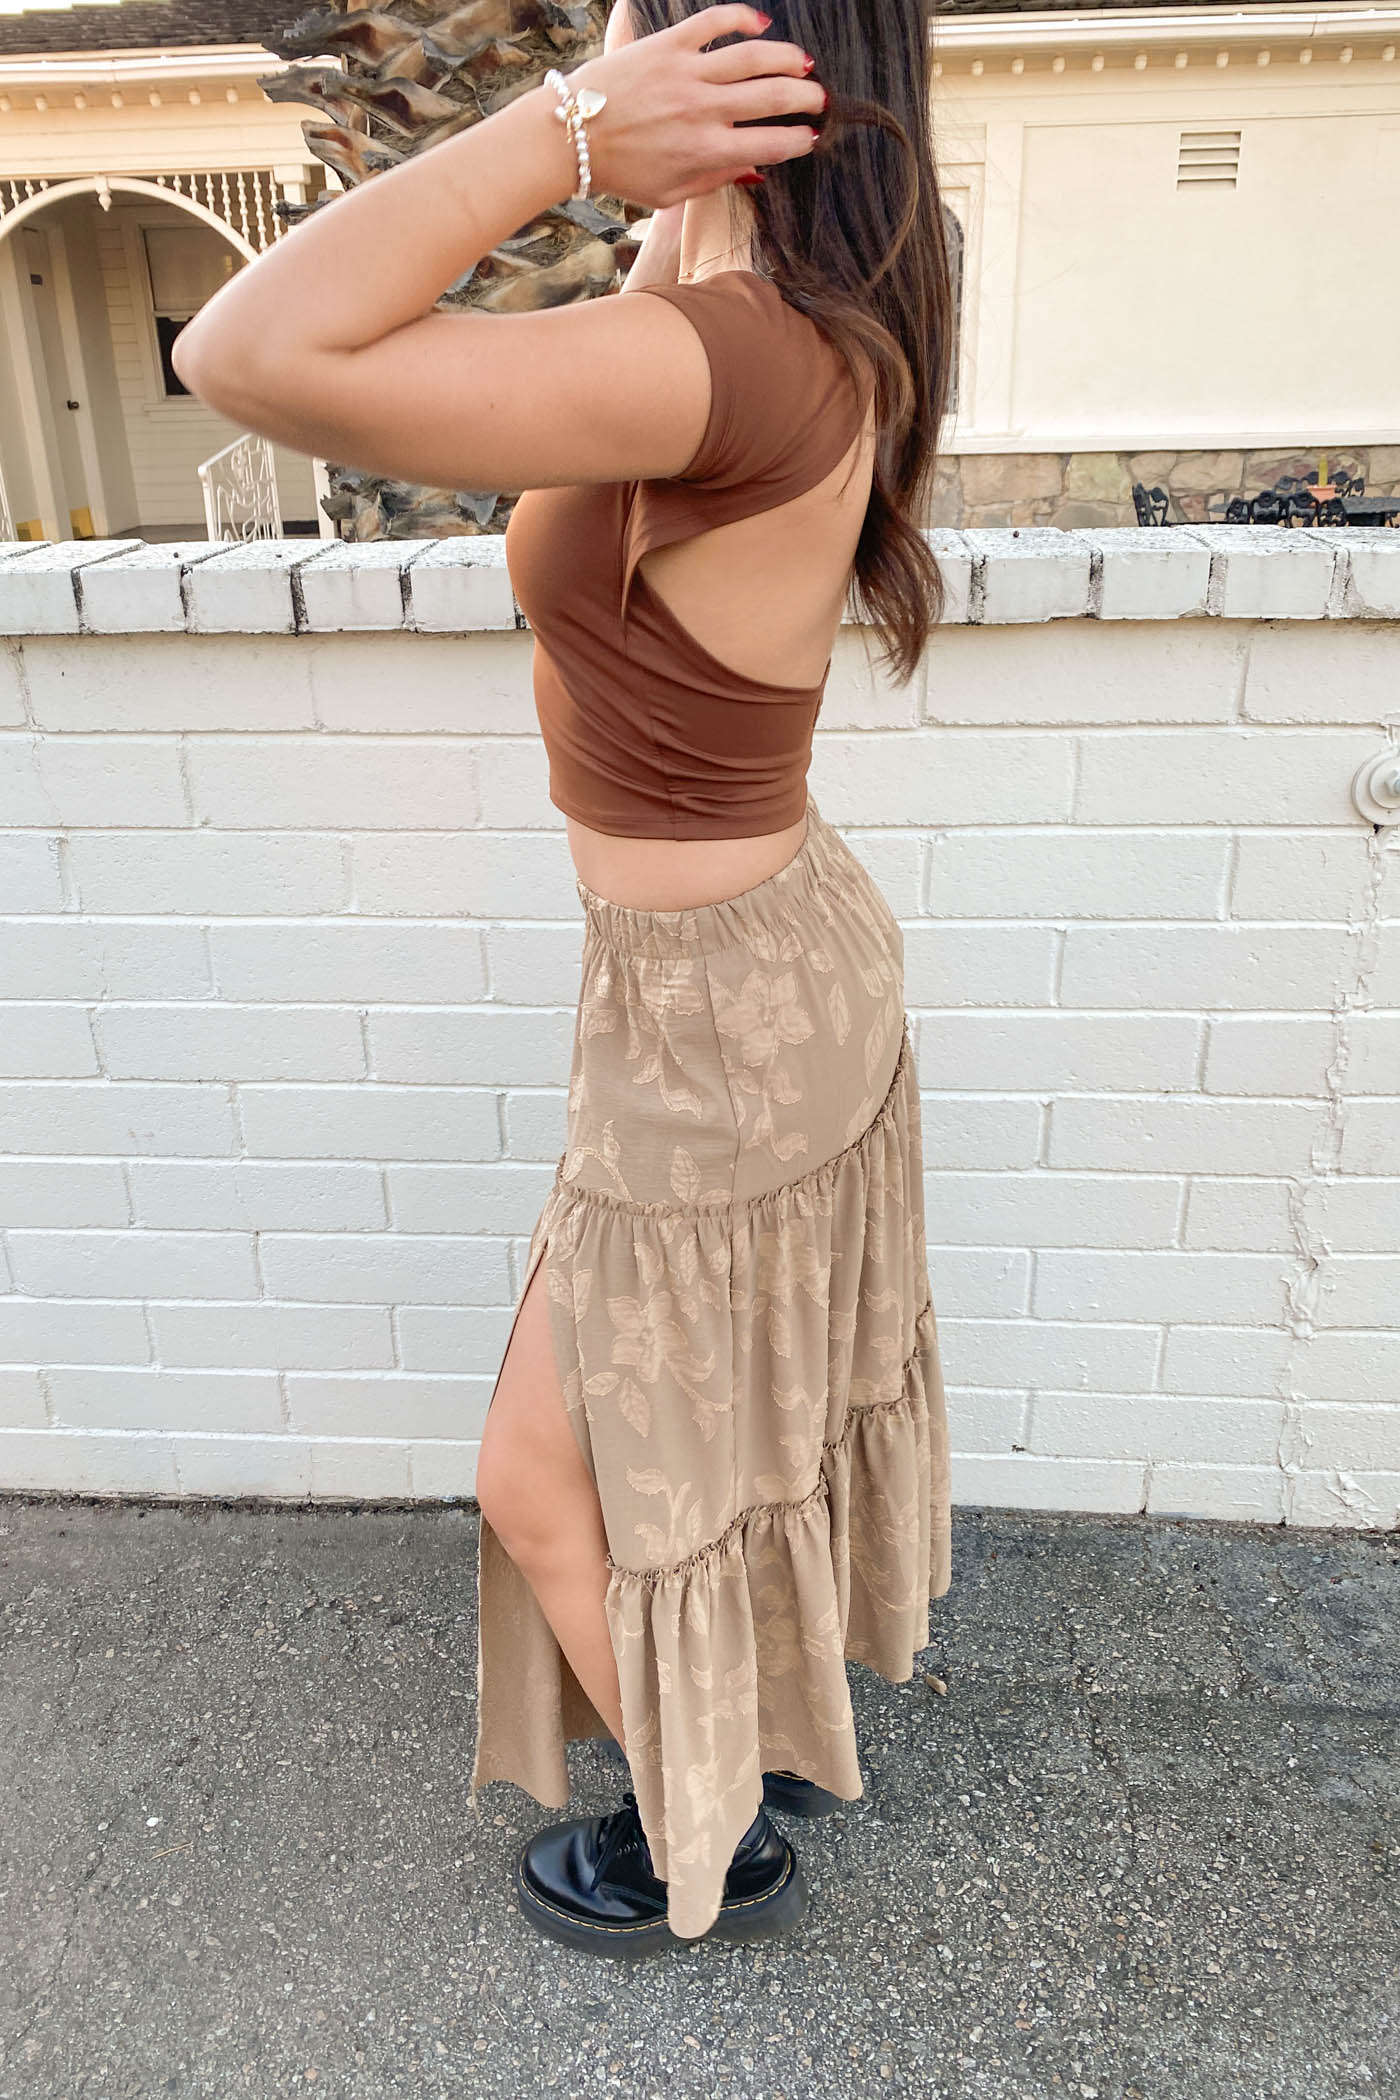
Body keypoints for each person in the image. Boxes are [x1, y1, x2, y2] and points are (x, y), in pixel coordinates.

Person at [173, 0, 957, 1958]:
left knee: (536, 1477)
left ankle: (717, 1834)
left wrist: (564, 128)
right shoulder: (772, 318)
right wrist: (640, 155)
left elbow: (244, 352)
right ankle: (754, 1728)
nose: (609, 35)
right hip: (752, 973)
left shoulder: (723, 361)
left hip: (721, 1015)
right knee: (722, 1414)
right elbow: (638, 261)